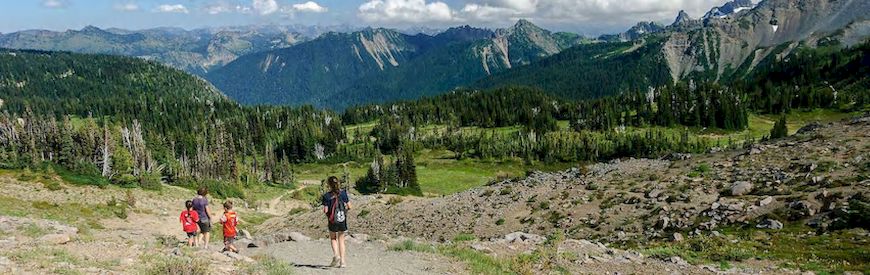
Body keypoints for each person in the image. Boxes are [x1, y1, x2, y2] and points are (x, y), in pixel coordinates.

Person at [321, 176, 351, 268]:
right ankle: (343, 262)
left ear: (329, 185)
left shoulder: (326, 196)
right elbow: (349, 206)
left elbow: (325, 210)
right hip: (342, 219)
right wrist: (344, 212)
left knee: (333, 238)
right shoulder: (343, 194)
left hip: (332, 220)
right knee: (341, 240)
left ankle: (336, 255)